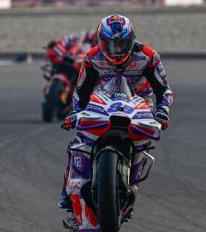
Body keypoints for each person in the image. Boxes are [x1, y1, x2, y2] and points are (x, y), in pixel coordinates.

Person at [58, 14, 173, 209]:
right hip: (103, 99)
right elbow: (81, 91)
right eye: (110, 44)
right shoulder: (92, 57)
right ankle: (69, 191)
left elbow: (164, 90)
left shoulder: (148, 56)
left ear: (132, 39)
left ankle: (131, 185)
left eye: (121, 44)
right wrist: (76, 113)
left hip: (140, 101)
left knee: (142, 141)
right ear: (100, 41)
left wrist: (162, 112)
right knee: (80, 141)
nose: (116, 50)